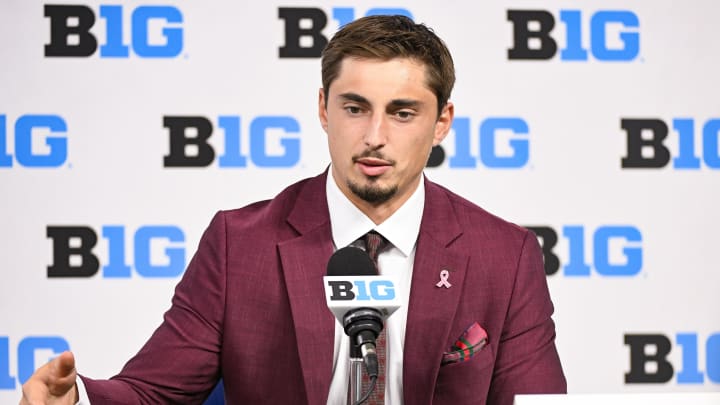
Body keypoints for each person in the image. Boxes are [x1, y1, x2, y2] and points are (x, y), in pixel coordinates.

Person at [21, 15, 566, 404]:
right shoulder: (241, 243)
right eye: (355, 108)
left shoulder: (505, 255)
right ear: (323, 109)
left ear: (442, 121)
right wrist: (77, 401)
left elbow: (534, 402)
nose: (374, 137)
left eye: (402, 113)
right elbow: (154, 391)